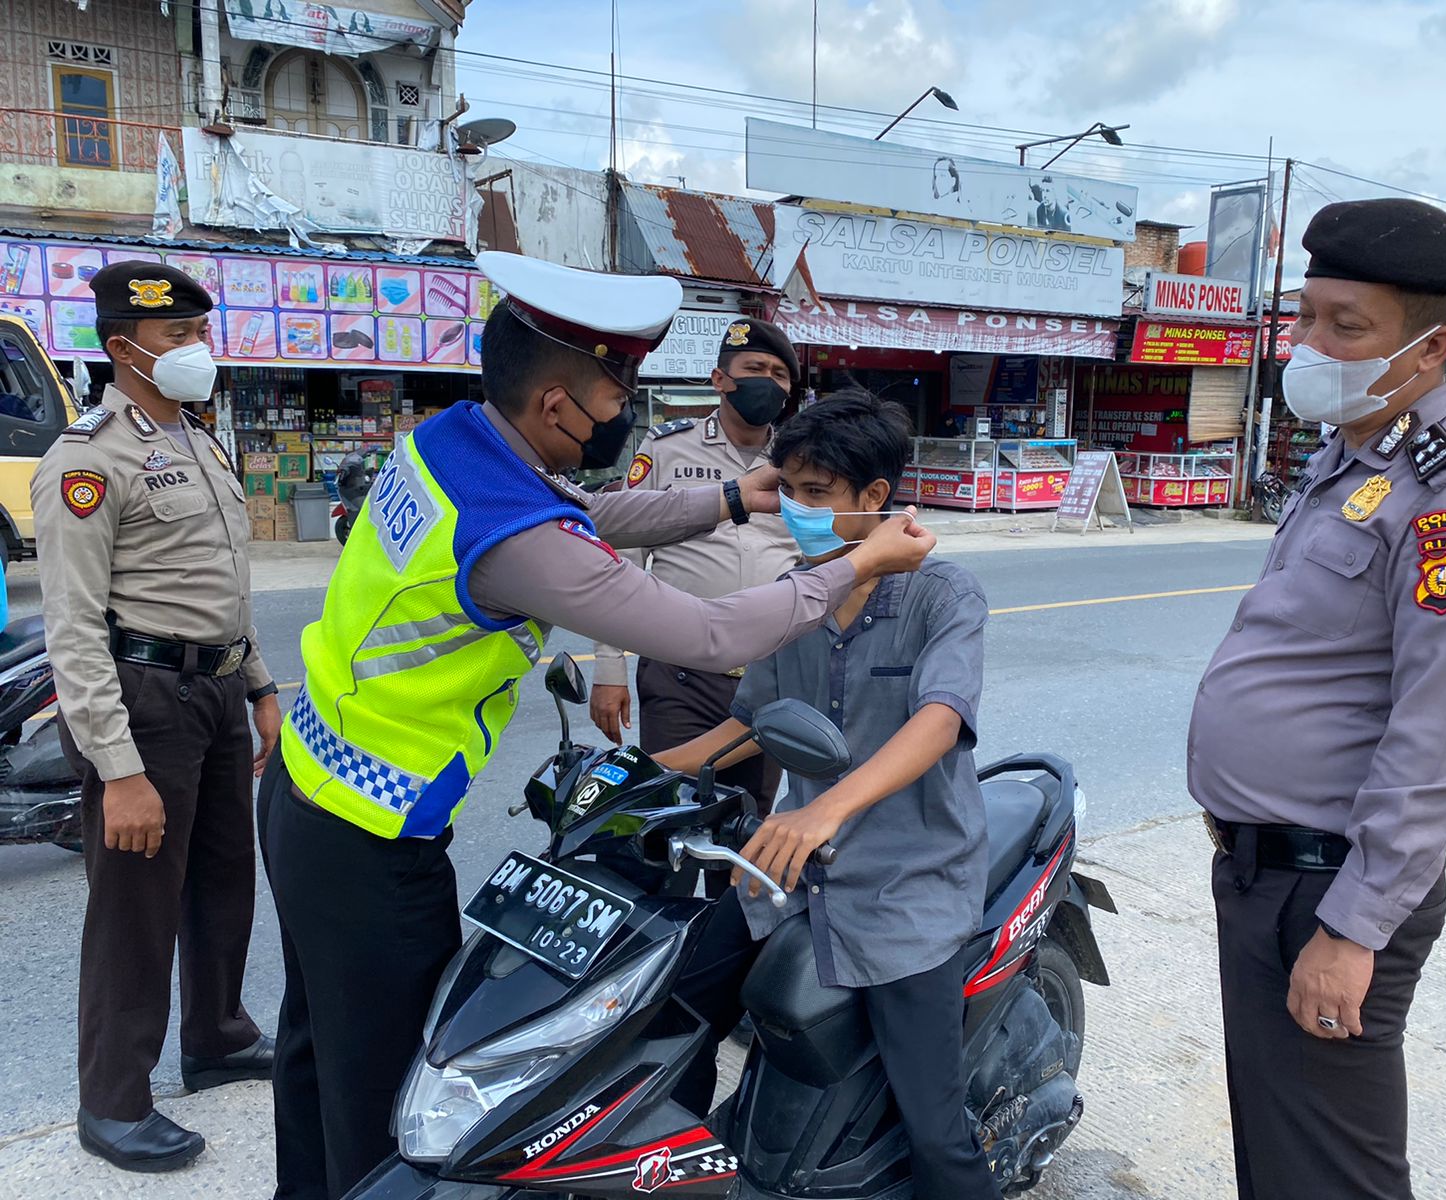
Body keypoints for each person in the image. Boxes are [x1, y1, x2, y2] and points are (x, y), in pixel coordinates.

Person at [257, 252, 938, 1200]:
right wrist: (853, 568)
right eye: (613, 389)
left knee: (314, 1048)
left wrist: (734, 497)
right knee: (397, 1104)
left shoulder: (457, 443)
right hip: (372, 834)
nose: (622, 408)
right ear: (554, 406)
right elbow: (705, 631)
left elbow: (594, 513)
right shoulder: (514, 535)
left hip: (300, 783)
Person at [1188, 198, 1446, 1200]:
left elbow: (1439, 737)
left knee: (1329, 1178)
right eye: (1305, 316)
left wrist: (1351, 931)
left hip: (1329, 887)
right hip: (1267, 875)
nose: (1309, 344)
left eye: (1345, 326)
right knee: (1282, 1158)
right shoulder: (1350, 457)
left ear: (1431, 347)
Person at [655, 387, 1000, 1200]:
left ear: (875, 499)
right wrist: (643, 776)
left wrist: (822, 808)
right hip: (793, 877)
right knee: (675, 1007)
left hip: (907, 884)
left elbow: (941, 721)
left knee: (935, 1129)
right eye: (794, 492)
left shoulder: (943, 595)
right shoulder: (799, 590)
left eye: (817, 495)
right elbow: (747, 723)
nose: (800, 511)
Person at [30, 261, 279, 1174]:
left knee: (223, 880)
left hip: (213, 692)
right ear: (122, 346)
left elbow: (223, 585)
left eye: (198, 334)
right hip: (143, 701)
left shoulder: (203, 441)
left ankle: (216, 1036)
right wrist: (119, 768)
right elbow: (74, 629)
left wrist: (259, 688)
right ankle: (114, 1100)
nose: (195, 351)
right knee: (135, 905)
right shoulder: (88, 461)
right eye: (178, 337)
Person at [590, 318, 803, 828]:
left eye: (779, 375)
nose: (767, 383)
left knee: (744, 827)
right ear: (719, 380)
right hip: (678, 673)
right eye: (754, 369)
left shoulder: (803, 459)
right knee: (670, 822)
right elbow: (620, 557)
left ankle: (728, 911)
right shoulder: (667, 449)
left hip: (769, 676)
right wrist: (608, 667)